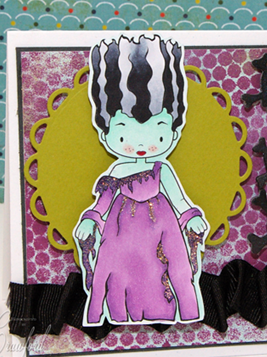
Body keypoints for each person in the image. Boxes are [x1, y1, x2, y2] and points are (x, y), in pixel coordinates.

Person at [74, 34, 209, 327]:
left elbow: (179, 200)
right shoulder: (116, 172)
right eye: (124, 134)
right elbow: (101, 205)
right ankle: (120, 314)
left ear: (173, 132)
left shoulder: (162, 169)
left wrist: (191, 217)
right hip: (120, 233)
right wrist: (90, 221)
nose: (140, 145)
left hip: (163, 229)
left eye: (158, 134)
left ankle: (172, 314)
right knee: (118, 272)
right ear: (105, 134)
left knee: (167, 270)